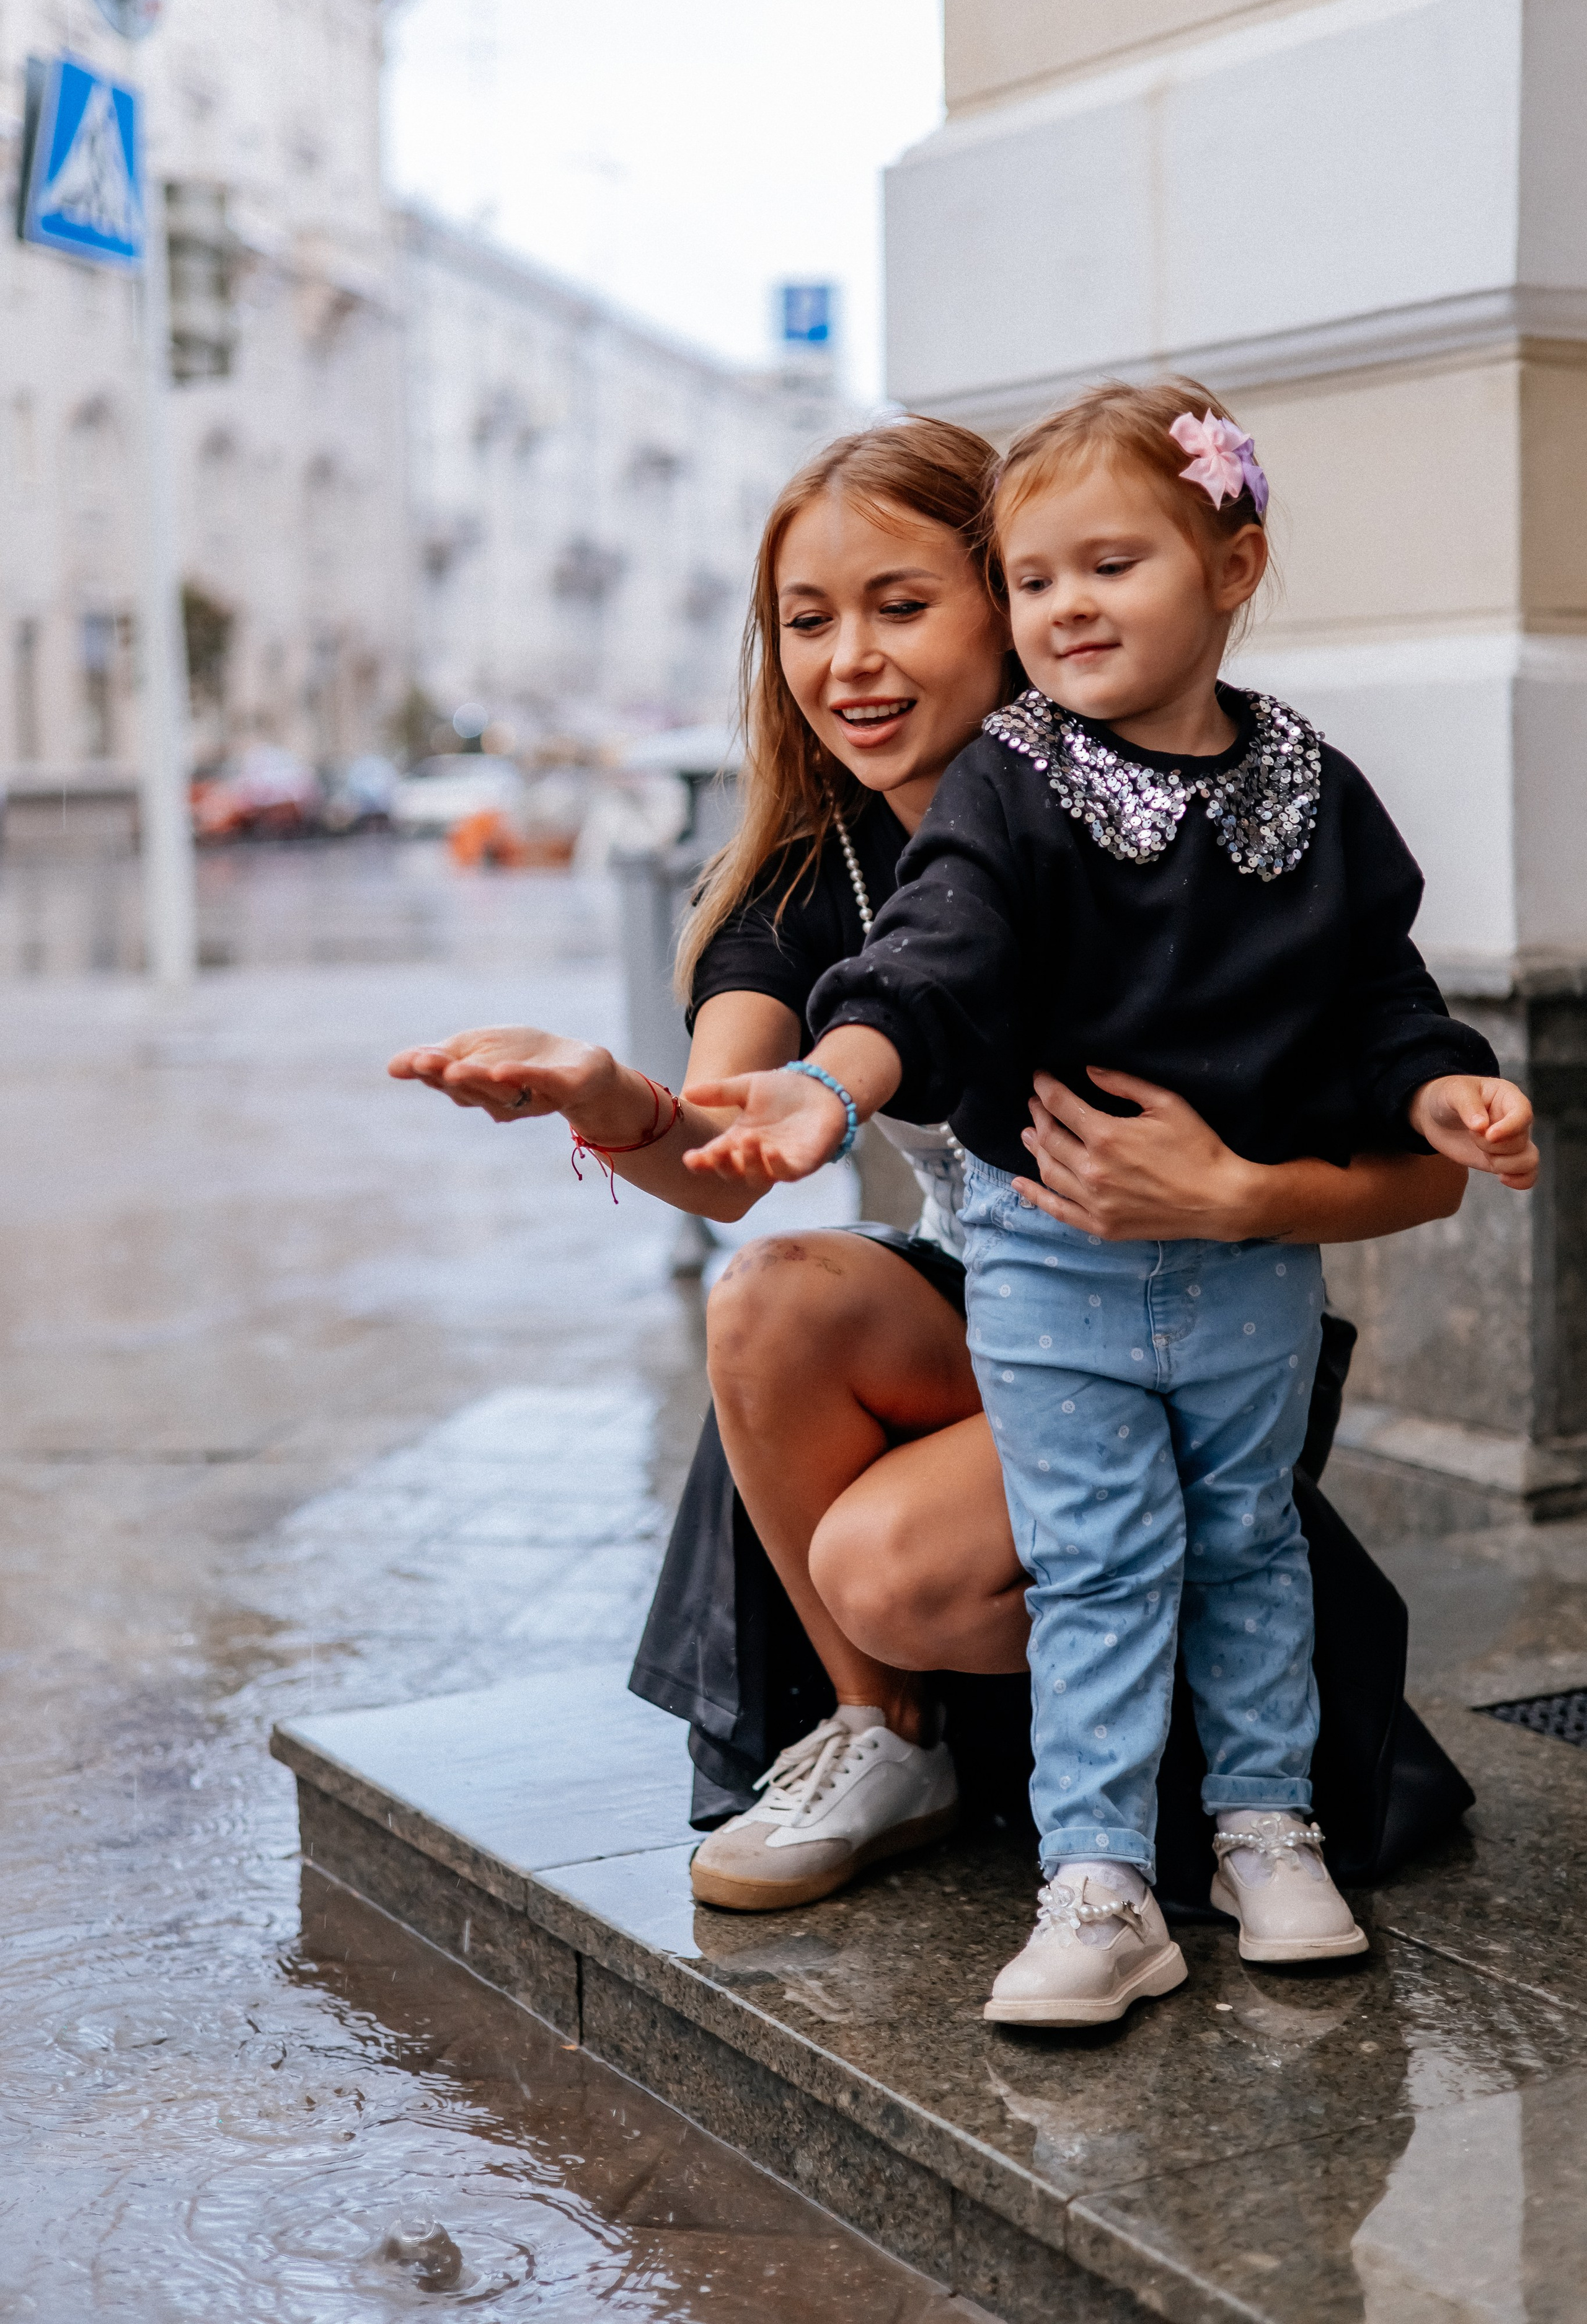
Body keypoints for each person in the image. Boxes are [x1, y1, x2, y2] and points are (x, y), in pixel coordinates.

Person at [387, 414, 1476, 1940]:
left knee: (885, 1564)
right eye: (806, 622)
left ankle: (1216, 1775)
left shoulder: (1176, 825)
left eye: (901, 606)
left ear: (1003, 599)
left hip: (1213, 1315)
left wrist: (1233, 1194)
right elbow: (731, 1163)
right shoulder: (804, 872)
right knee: (773, 1294)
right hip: (1008, 1312)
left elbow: (1424, 1180)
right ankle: (883, 1739)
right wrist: (615, 1100)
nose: (849, 663)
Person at [681, 383, 1536, 2025]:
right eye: (1037, 578)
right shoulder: (985, 809)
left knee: (1245, 1549)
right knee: (1099, 1557)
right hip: (1040, 1275)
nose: (1065, 608)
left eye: (1105, 569)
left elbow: (1383, 1002)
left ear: (1231, 567)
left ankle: (1265, 1832)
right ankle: (1087, 1870)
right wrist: (811, 1086)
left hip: (1249, 1273)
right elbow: (923, 978)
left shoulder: (1310, 786)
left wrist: (1427, 1100)